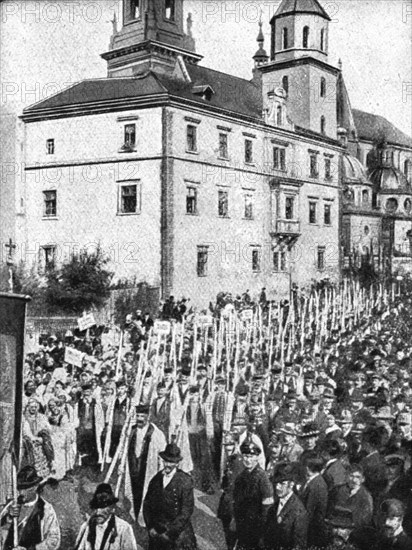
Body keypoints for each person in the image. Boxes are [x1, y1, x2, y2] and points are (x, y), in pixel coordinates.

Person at [143, 441, 197, 550]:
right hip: (157, 531)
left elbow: (186, 511)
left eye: (171, 462)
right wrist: (151, 527)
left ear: (177, 463)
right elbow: (147, 505)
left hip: (178, 533)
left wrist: (170, 533)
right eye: (166, 461)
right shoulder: (156, 479)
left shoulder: (185, 480)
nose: (167, 465)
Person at [0, 466, 60, 550]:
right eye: (20, 488)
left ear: (35, 487)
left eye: (25, 488)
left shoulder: (46, 509)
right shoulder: (12, 505)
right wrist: (8, 518)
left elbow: (53, 540)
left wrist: (31, 549)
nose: (21, 492)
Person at [125, 403, 167, 521]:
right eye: (137, 416)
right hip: (133, 468)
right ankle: (134, 514)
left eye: (142, 416)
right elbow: (124, 450)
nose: (139, 419)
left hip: (149, 469)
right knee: (134, 493)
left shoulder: (156, 434)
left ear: (148, 417)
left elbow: (162, 456)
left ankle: (145, 518)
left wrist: (161, 473)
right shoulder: (131, 431)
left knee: (147, 494)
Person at [233, 439, 273, 550]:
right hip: (243, 523)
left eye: (251, 457)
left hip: (257, 526)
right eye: (245, 456)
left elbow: (267, 506)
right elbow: (237, 501)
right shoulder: (241, 477)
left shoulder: (262, 477)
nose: (248, 460)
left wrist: (263, 530)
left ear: (256, 458)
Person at [75, 483, 137, 550]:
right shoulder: (86, 527)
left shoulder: (124, 528)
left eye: (102, 507)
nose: (98, 512)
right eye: (96, 507)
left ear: (112, 508)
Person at [264, 462, 308, 550]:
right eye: (276, 483)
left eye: (282, 484)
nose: (277, 487)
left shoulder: (298, 510)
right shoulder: (274, 506)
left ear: (291, 485)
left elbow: (298, 545)